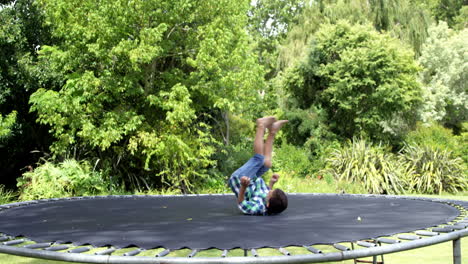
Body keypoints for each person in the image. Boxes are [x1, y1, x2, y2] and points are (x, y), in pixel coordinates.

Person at [228, 116, 288, 215]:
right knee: (268, 164)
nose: (269, 191)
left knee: (259, 159)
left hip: (240, 179)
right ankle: (272, 131)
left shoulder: (258, 207)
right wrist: (271, 183)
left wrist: (243, 186)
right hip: (253, 179)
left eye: (270, 193)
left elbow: (241, 204)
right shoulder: (268, 201)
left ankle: (261, 125)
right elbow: (265, 192)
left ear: (268, 204)